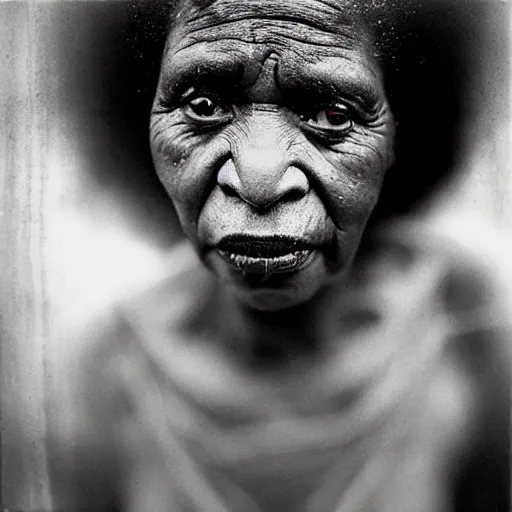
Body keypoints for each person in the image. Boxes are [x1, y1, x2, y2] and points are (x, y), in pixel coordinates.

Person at [49, 0, 511, 511]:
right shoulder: (109, 373)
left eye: (332, 115)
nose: (259, 180)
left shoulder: (468, 333)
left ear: (401, 137)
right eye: (204, 106)